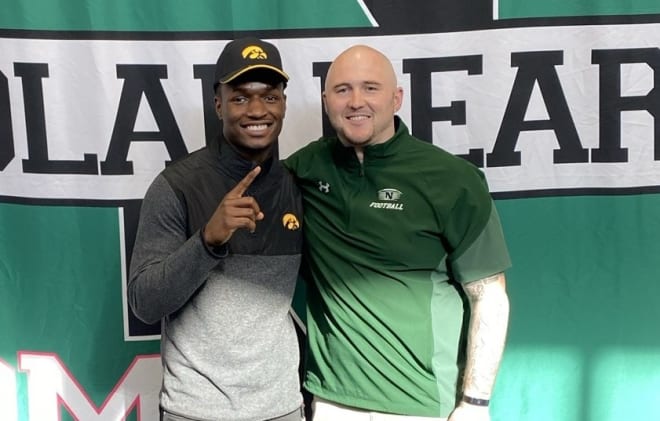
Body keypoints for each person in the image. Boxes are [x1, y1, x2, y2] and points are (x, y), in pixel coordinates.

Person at [285, 45, 511, 421]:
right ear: (326, 102)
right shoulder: (305, 168)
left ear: (397, 98)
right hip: (333, 400)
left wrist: (475, 402)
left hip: (422, 403)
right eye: (343, 90)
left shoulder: (452, 179)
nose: (356, 101)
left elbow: (490, 295)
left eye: (370, 88)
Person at [128, 37, 304, 421]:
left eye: (269, 96)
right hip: (194, 411)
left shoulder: (298, 185)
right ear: (218, 104)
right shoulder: (176, 186)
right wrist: (207, 242)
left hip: (281, 409)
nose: (257, 109)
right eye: (240, 97)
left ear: (284, 104)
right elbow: (143, 303)